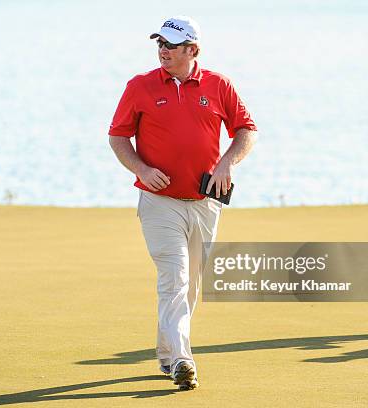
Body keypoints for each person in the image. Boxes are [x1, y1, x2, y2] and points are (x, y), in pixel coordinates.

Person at [108, 16, 258, 391]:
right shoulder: (140, 86)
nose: (163, 51)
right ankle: (182, 360)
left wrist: (226, 163)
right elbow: (118, 137)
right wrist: (141, 167)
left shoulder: (218, 84)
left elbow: (246, 129)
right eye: (159, 44)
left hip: (205, 201)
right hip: (159, 202)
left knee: (190, 286)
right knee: (173, 278)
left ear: (193, 50)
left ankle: (165, 353)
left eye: (171, 45)